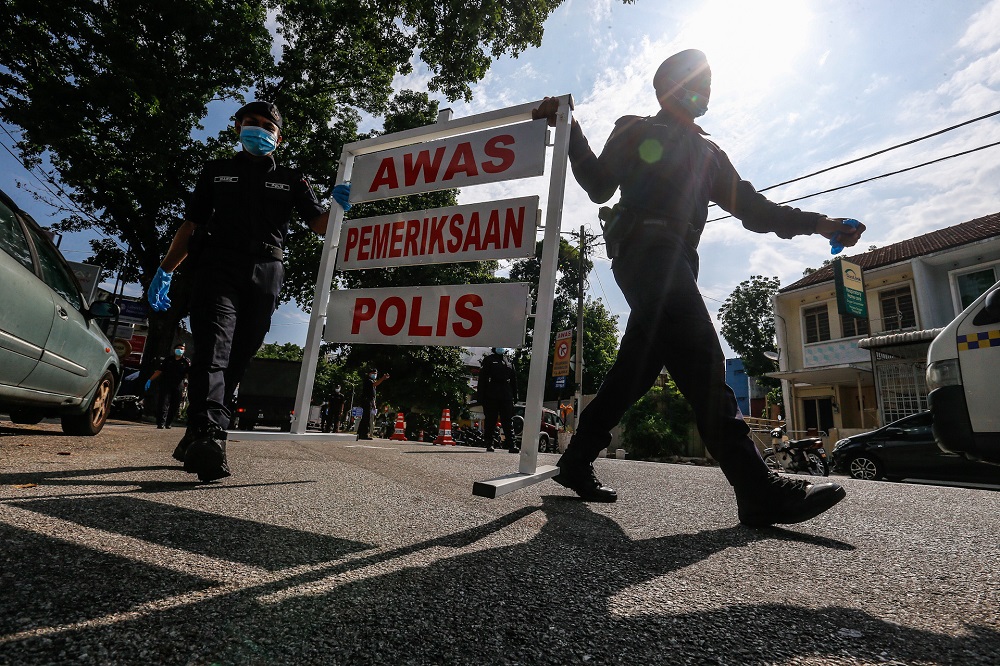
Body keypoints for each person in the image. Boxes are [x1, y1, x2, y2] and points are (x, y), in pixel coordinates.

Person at [531, 49, 866, 527]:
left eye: (708, 84)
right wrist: (571, 127)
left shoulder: (711, 155)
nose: (704, 92)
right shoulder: (636, 128)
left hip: (678, 261)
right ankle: (757, 488)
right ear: (666, 88)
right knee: (705, 364)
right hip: (644, 250)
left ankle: (576, 460)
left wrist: (819, 223)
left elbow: (757, 210)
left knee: (635, 372)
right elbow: (600, 185)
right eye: (693, 82)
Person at [147, 100, 352, 481]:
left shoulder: (293, 178)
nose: (258, 130)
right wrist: (166, 270)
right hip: (216, 268)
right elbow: (191, 225)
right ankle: (210, 436)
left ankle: (196, 433)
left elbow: (320, 226)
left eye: (267, 126)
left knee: (238, 358)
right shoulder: (215, 171)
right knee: (213, 349)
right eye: (250, 123)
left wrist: (339, 206)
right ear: (238, 127)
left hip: (266, 273)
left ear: (278, 136)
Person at [477, 347, 518, 453]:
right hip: (492, 394)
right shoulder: (489, 360)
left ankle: (512, 445)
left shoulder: (508, 360)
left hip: (506, 394)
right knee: (491, 420)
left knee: (508, 421)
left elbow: (514, 380)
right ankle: (489, 443)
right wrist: (480, 397)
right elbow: (482, 380)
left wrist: (515, 396)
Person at [145, 342, 191, 429]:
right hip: (166, 384)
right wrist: (150, 380)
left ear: (184, 351)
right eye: (178, 348)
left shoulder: (186, 362)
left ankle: (168, 423)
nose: (180, 350)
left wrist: (189, 385)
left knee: (175, 405)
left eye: (182, 349)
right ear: (174, 350)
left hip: (178, 385)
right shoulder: (168, 360)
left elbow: (188, 374)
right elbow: (159, 371)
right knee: (163, 403)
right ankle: (161, 423)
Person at [357, 369, 389, 440]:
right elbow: (375, 384)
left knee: (366, 417)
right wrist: (382, 378)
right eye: (373, 373)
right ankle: (364, 434)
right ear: (369, 373)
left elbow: (373, 394)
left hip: (370, 401)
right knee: (366, 417)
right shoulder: (368, 380)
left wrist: (374, 402)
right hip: (366, 400)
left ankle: (360, 433)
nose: (374, 375)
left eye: (375, 373)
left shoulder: (372, 381)